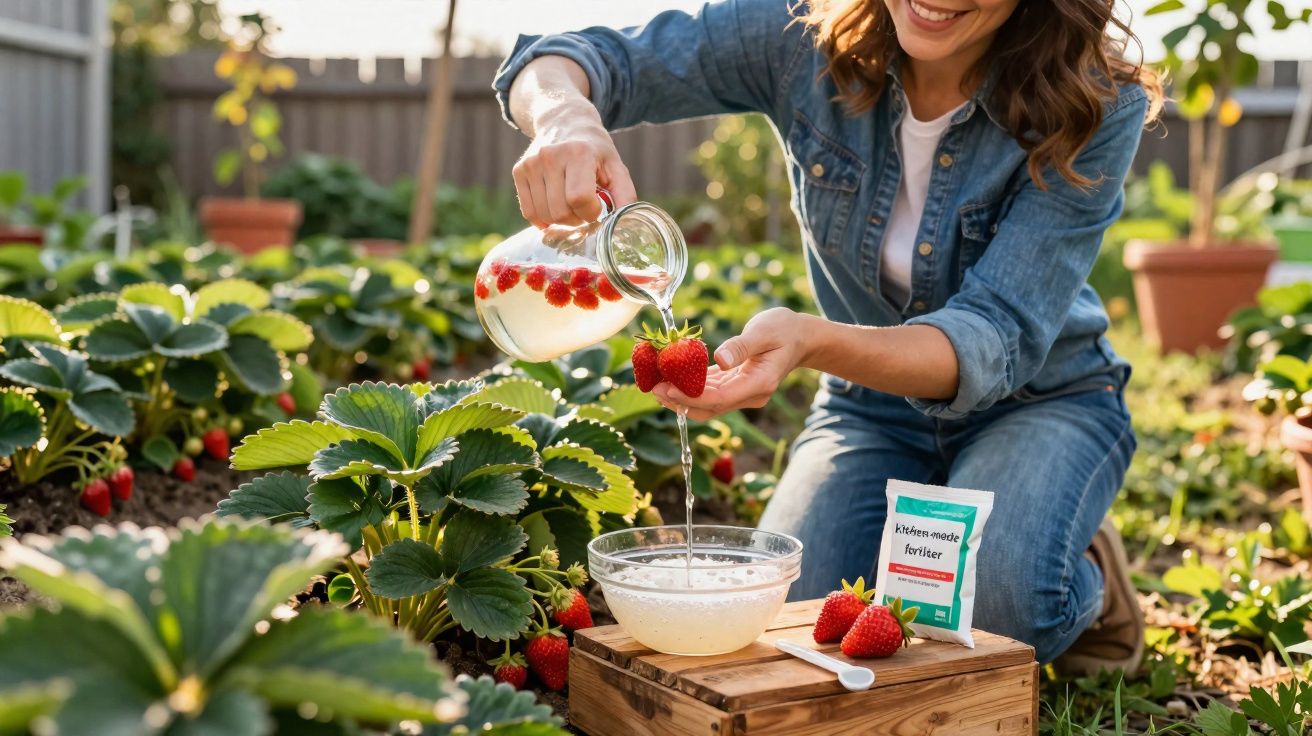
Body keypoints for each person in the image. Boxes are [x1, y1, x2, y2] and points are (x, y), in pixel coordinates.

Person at [493, 0, 1162, 674]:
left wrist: (811, 342)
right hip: (871, 408)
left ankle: (1084, 574)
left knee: (989, 612)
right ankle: (957, 531)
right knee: (794, 615)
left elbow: (991, 336)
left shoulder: (1094, 103)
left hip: (1037, 402)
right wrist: (564, 115)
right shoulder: (797, 36)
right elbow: (567, 59)